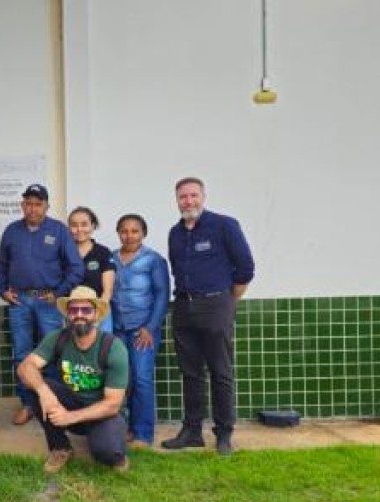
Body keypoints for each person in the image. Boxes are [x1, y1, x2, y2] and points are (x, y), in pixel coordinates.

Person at [161, 177, 255, 456]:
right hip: (183, 307)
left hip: (216, 305)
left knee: (220, 372)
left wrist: (227, 300)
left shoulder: (224, 225)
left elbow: (245, 268)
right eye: (183, 197)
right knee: (190, 373)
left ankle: (224, 433)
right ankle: (192, 431)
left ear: (203, 196)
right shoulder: (175, 233)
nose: (188, 201)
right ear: (177, 200)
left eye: (193, 195)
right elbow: (177, 269)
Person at [0, 184, 84, 426]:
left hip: (48, 302)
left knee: (53, 353)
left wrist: (59, 293)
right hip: (19, 301)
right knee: (22, 353)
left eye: (38, 204)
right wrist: (2, 290)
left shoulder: (59, 230)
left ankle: (52, 403)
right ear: (22, 205)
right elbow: (2, 265)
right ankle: (28, 404)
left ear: (46, 206)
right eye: (29, 203)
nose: (33, 208)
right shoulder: (12, 231)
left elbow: (76, 268)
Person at [17, 286, 130, 473]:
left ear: (96, 314)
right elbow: (25, 367)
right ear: (68, 314)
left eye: (86, 310)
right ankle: (60, 448)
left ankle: (112, 446)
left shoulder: (113, 347)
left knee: (107, 453)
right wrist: (44, 392)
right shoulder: (58, 338)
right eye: (74, 310)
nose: (79, 315)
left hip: (102, 412)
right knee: (34, 385)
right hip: (71, 403)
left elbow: (113, 404)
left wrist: (70, 417)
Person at [111, 214, 170, 449]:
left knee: (142, 379)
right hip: (117, 329)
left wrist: (150, 328)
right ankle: (125, 429)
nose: (129, 236)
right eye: (124, 231)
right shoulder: (111, 258)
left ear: (143, 233)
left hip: (142, 330)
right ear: (118, 233)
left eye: (135, 231)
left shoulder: (153, 260)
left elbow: (162, 295)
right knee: (121, 380)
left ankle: (143, 435)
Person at [68, 207, 114, 333]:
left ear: (93, 226)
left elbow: (107, 291)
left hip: (99, 311)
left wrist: (97, 316)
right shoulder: (64, 252)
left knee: (102, 345)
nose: (79, 229)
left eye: (84, 224)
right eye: (74, 225)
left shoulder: (103, 252)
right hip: (72, 313)